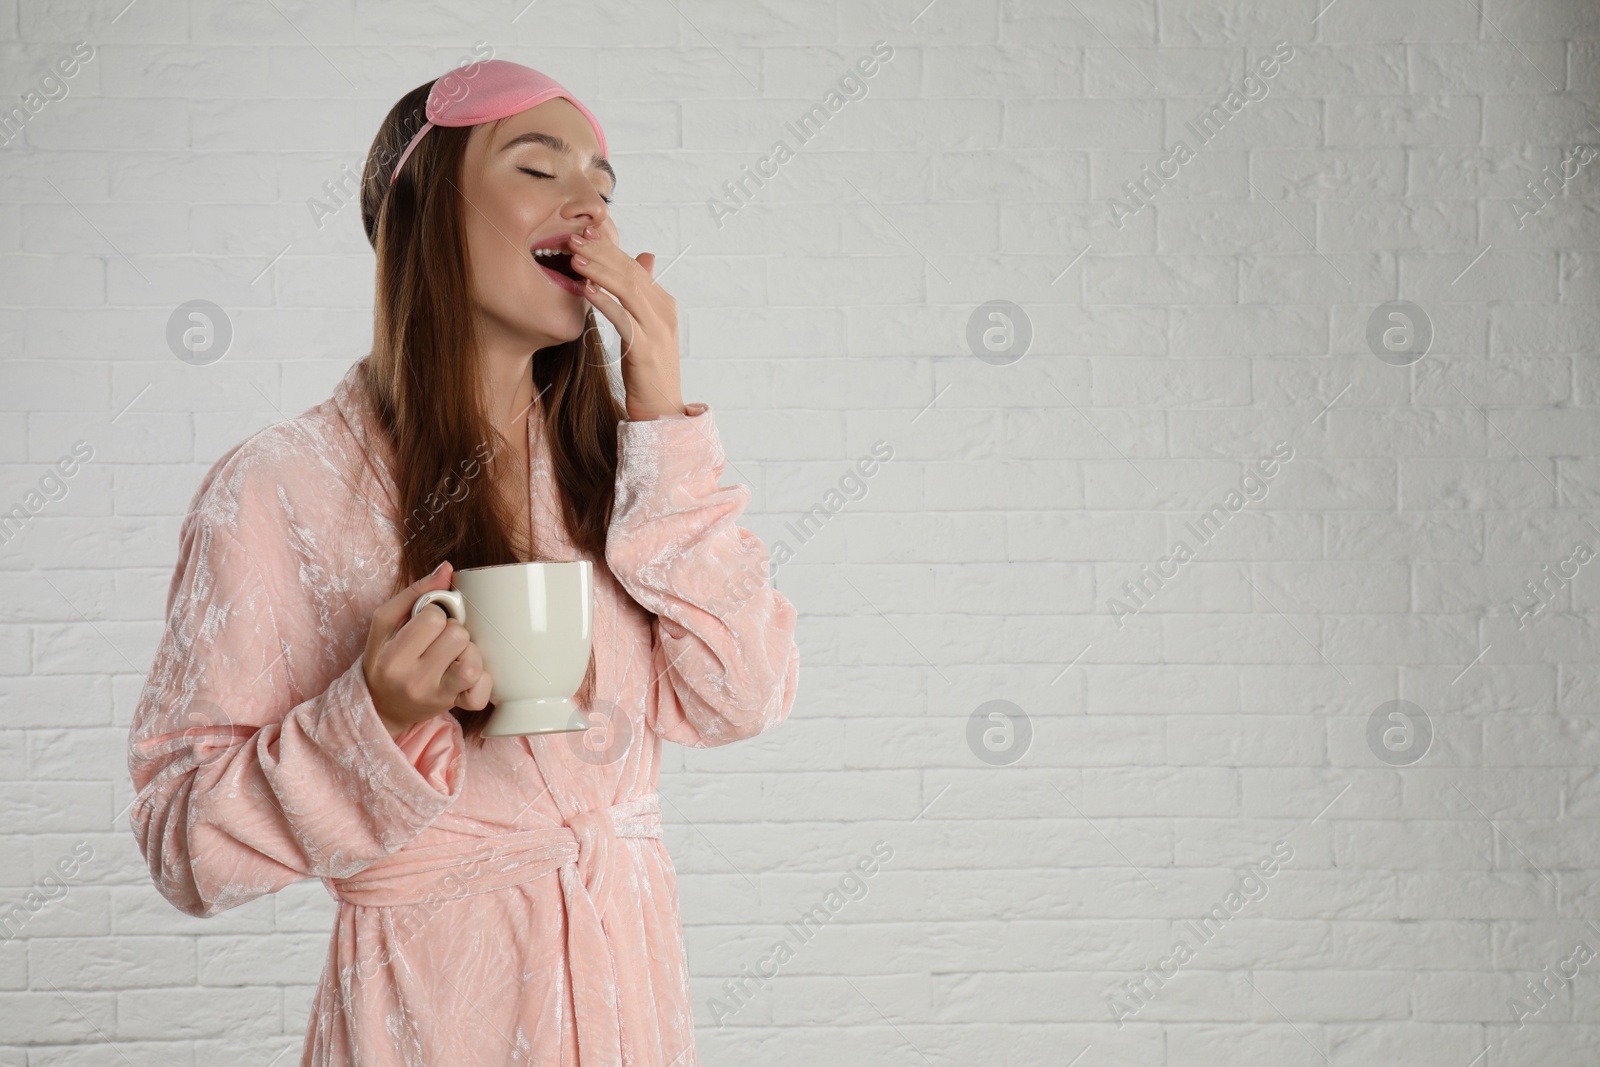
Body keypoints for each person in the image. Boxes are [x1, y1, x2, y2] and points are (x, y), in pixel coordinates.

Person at [126, 59, 799, 1067]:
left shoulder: (624, 470)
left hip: (632, 1005)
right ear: (430, 215)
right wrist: (373, 717)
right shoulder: (281, 486)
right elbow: (184, 847)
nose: (590, 206)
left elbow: (740, 696)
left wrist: (659, 408)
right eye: (539, 169)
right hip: (426, 1018)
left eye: (605, 188)